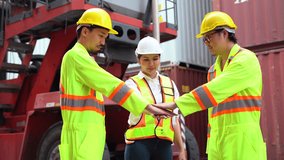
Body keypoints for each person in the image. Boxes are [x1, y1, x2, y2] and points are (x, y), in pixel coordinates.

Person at [59, 8, 174, 160]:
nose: (103, 42)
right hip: (81, 139)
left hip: (85, 138)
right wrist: (146, 107)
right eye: (101, 36)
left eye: (105, 37)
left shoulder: (82, 58)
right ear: (85, 31)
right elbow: (111, 84)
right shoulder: (75, 57)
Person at [154, 11, 267, 160]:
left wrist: (177, 104)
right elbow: (213, 112)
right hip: (217, 144)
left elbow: (214, 91)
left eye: (209, 37)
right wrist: (211, 142)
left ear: (225, 34)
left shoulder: (246, 60)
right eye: (204, 39)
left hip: (242, 141)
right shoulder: (213, 70)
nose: (206, 43)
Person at [124, 36, 187, 160]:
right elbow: (141, 106)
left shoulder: (170, 84)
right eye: (146, 59)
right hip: (138, 145)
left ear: (160, 58)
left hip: (164, 146)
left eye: (155, 59)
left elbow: (175, 120)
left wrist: (181, 150)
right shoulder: (131, 84)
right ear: (138, 60)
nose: (151, 64)